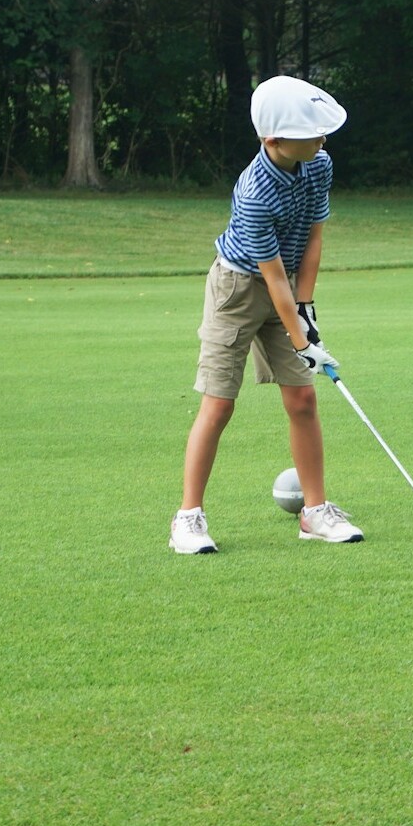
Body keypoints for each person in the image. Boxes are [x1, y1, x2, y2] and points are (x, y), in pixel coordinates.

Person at [169, 75, 364, 554]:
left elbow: (314, 237)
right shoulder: (254, 191)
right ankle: (188, 518)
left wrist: (306, 308)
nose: (322, 138)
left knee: (303, 400)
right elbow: (270, 276)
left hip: (287, 287)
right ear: (273, 139)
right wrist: (300, 337)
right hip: (237, 290)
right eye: (311, 131)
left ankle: (314, 512)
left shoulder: (319, 164)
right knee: (219, 404)